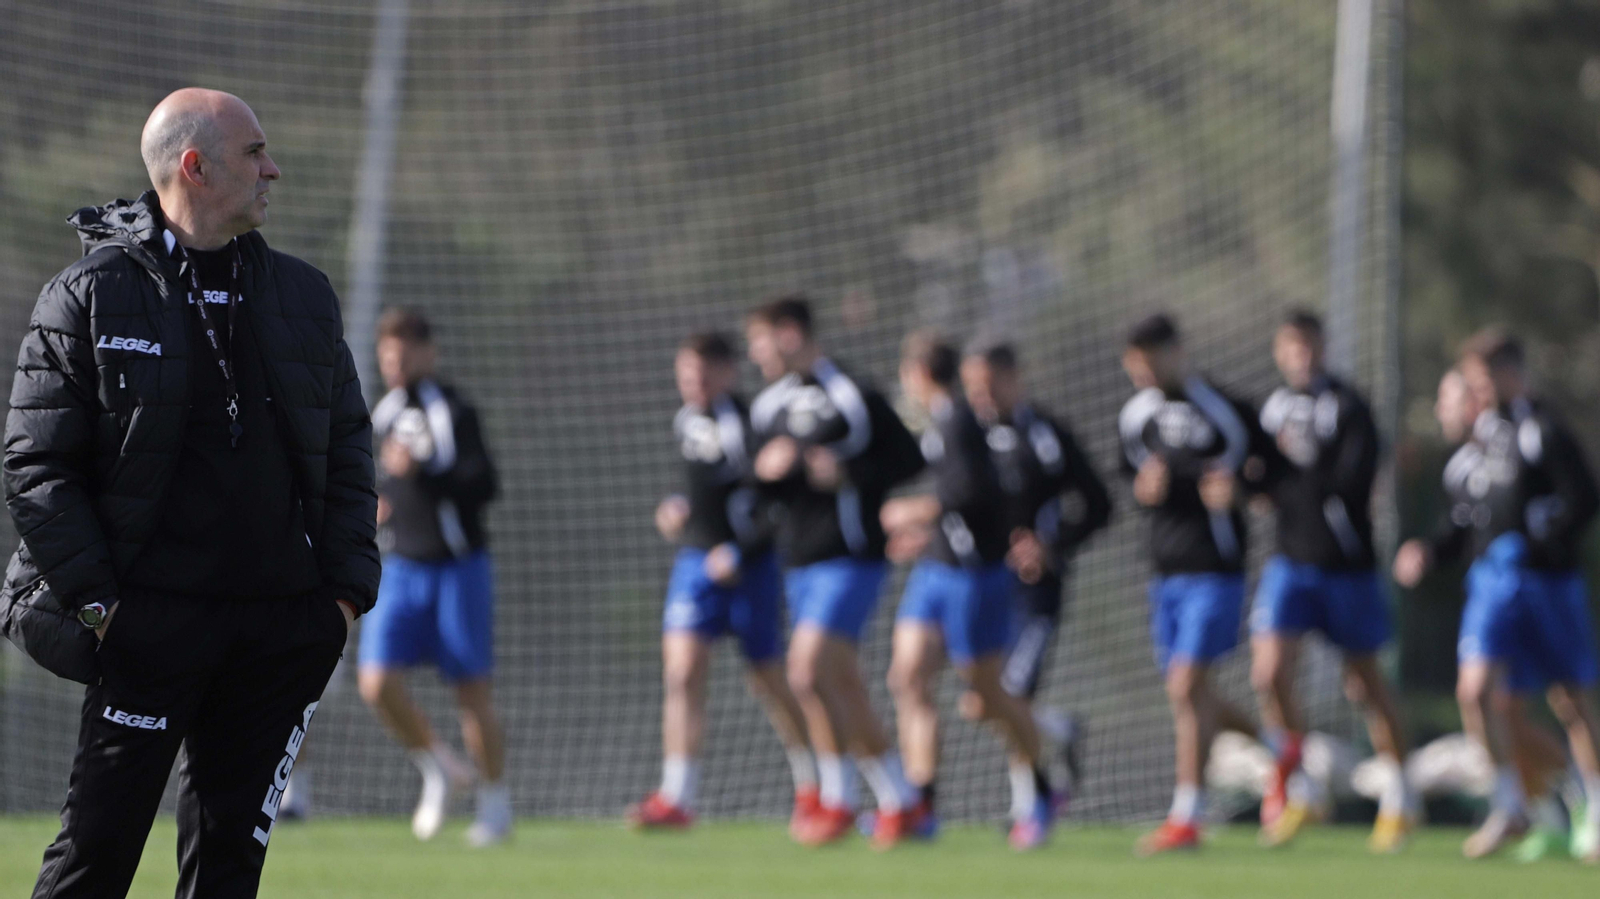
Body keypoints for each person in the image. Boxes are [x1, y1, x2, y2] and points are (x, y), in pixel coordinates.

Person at [3, 88, 378, 899]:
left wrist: (343, 599)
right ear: (195, 166)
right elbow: (37, 469)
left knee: (227, 874)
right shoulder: (89, 294)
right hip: (145, 631)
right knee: (93, 863)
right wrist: (103, 610)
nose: (273, 168)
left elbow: (350, 445)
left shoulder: (304, 295)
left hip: (277, 633)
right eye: (255, 153)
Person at [1395, 333, 1600, 862]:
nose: (1475, 396)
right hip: (1492, 585)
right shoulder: (1476, 448)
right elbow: (1464, 525)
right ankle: (1514, 803)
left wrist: (1540, 538)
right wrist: (1428, 552)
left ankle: (1590, 803)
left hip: (1547, 583)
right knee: (1479, 693)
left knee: (1569, 700)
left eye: (1480, 383)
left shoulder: (1541, 429)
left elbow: (1582, 498)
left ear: (1507, 375)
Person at [745, 297, 926, 846]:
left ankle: (839, 801)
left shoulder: (850, 392)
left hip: (851, 557)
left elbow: (909, 460)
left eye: (761, 339)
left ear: (791, 334)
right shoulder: (769, 405)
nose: (756, 353)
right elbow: (758, 487)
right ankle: (900, 800)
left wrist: (847, 474)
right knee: (839, 683)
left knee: (804, 672)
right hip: (797, 562)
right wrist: (767, 471)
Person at [627, 332, 815, 831]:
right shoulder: (686, 421)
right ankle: (676, 797)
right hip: (695, 567)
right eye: (686, 374)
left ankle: (813, 784)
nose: (694, 383)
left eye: (703, 374)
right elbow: (695, 489)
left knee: (769, 680)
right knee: (683, 673)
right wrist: (676, 509)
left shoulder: (749, 426)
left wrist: (739, 550)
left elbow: (777, 506)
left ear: (728, 373)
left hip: (749, 569)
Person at [880, 332, 1058, 850]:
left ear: (917, 374)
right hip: (936, 569)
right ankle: (920, 804)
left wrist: (914, 510)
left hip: (976, 574)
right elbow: (959, 501)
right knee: (907, 676)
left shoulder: (957, 420)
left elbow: (970, 494)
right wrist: (927, 533)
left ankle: (1041, 788)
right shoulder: (940, 423)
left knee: (987, 691)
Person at [1249, 311, 1415, 852]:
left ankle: (1400, 792)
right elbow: (1260, 478)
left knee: (1364, 683)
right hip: (1289, 563)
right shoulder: (1272, 408)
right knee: (1269, 673)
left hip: (1345, 567)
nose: (1301, 356)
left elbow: (1345, 483)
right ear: (1280, 351)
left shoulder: (1349, 407)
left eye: (1309, 345)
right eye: (1291, 347)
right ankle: (1298, 786)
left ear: (1323, 346)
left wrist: (1284, 477)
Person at [356, 308, 509, 846]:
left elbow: (484, 484)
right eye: (387, 355)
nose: (395, 365)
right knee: (376, 682)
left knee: (471, 691)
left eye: (403, 354)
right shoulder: (386, 410)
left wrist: (428, 471)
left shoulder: (454, 410)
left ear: (428, 352)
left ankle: (494, 808)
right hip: (400, 568)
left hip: (457, 569)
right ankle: (439, 766)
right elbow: (384, 482)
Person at [1117, 313, 1268, 855]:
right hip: (1164, 571)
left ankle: (1186, 816)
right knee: (1192, 693)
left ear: (1175, 352)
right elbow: (1127, 476)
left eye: (1148, 362)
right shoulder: (1137, 414)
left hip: (1216, 567)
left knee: (1186, 688)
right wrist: (1143, 488)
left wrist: (1241, 491)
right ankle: (1279, 754)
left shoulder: (1226, 410)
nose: (1141, 374)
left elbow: (1267, 473)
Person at [957, 338, 1111, 790]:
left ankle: (1029, 804)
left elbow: (1099, 504)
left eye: (989, 387)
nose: (982, 399)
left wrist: (1051, 544)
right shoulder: (968, 436)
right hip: (984, 586)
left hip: (1036, 593)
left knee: (1013, 695)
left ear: (1013, 380)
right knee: (983, 702)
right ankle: (1061, 731)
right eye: (973, 389)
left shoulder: (1046, 435)